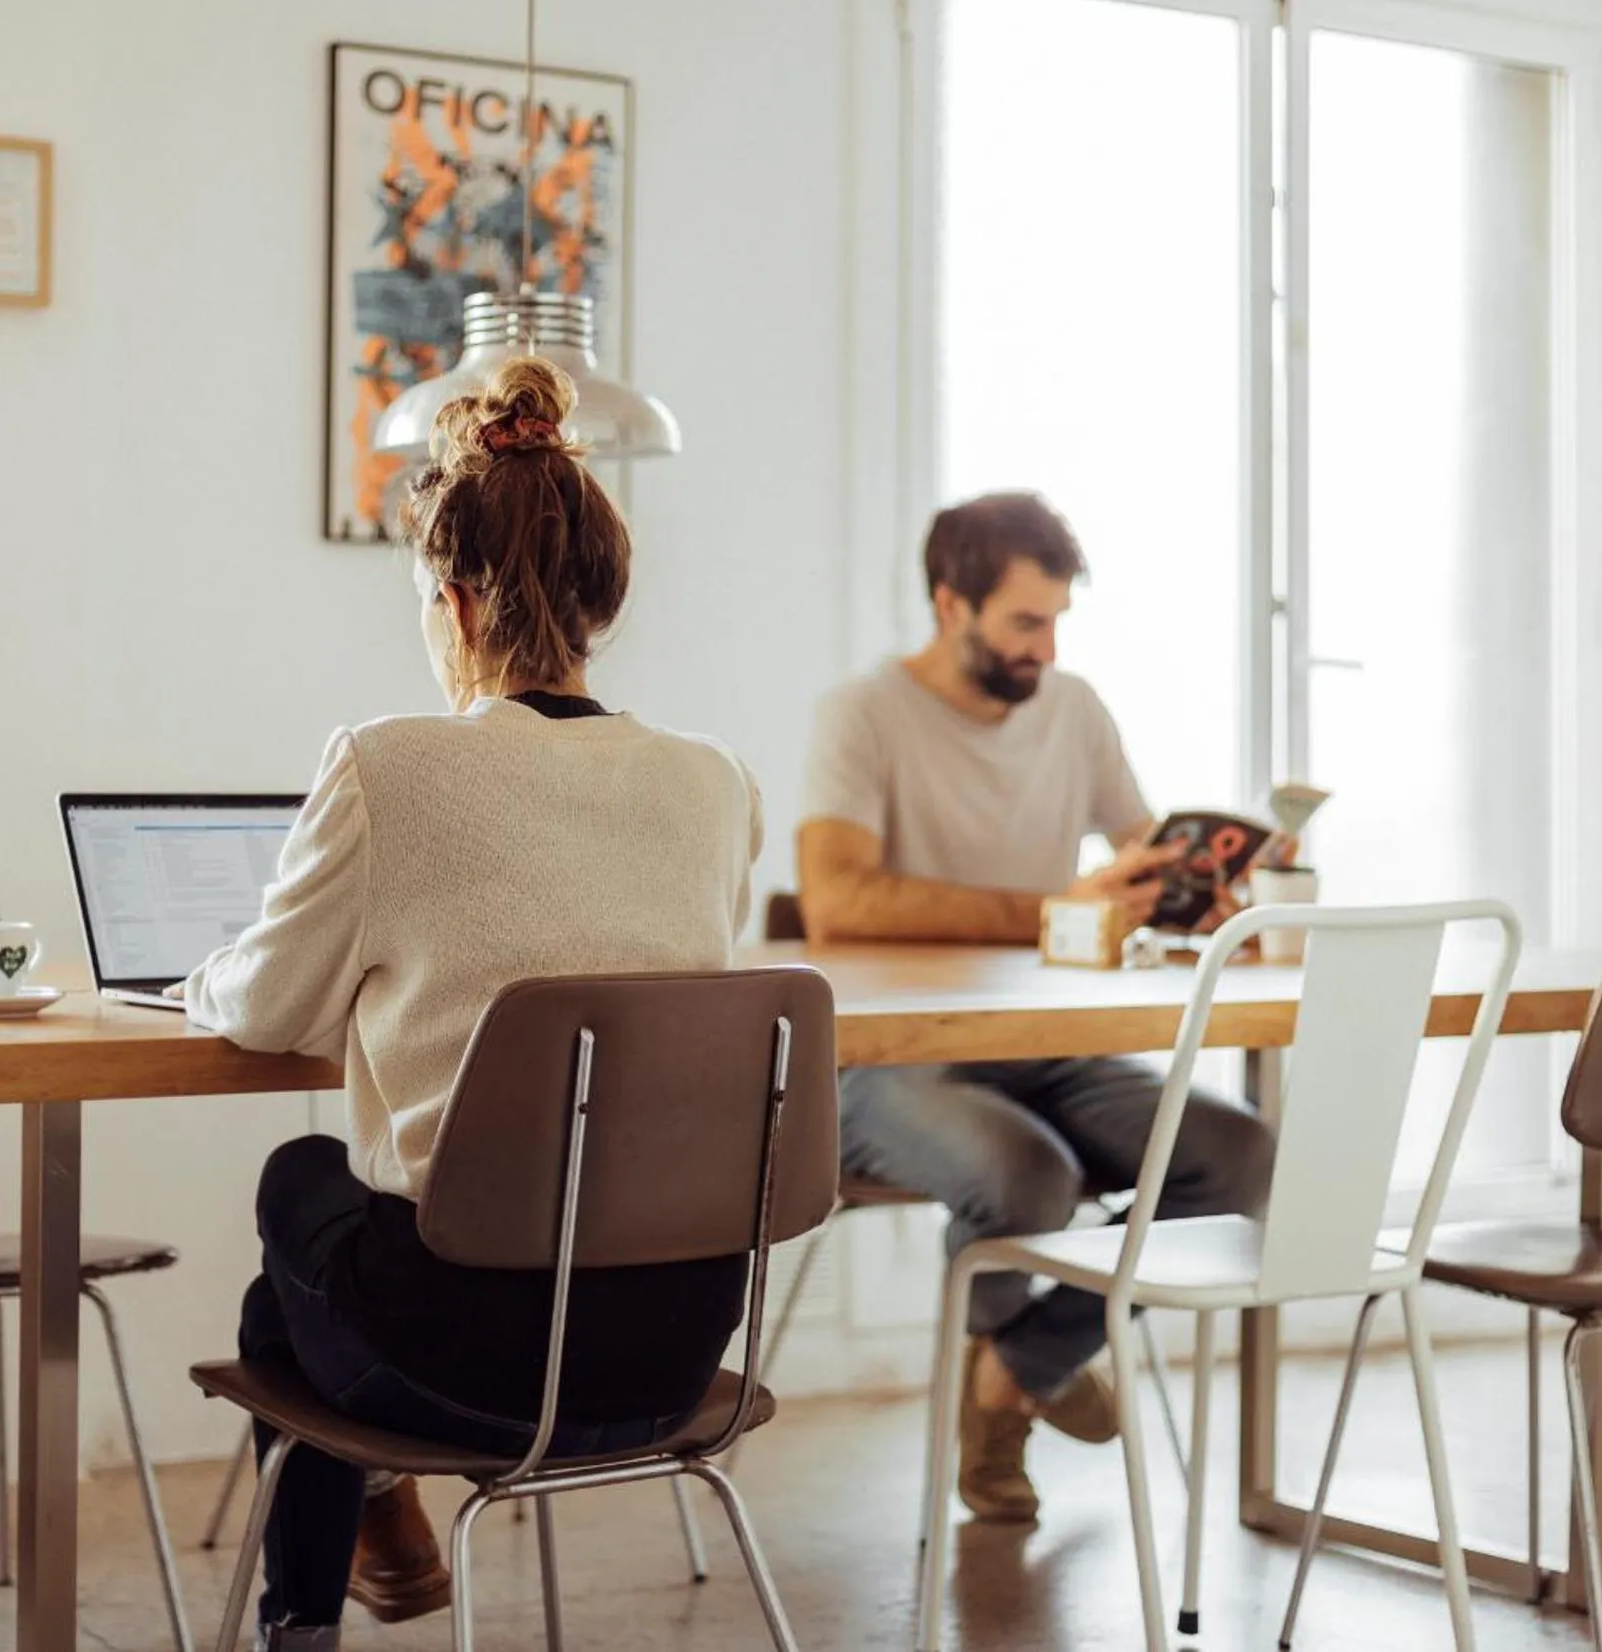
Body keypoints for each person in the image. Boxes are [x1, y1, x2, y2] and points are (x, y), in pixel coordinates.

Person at [178, 357, 763, 1652]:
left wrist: (193, 977)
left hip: (476, 1361)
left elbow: (269, 1007)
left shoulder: (394, 763)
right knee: (290, 1309)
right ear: (607, 595)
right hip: (674, 1344)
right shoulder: (718, 784)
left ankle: (314, 1605)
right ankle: (340, 1568)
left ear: (447, 598)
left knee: (299, 1181)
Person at [796, 491, 1276, 1525]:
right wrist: (1047, 909)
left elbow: (1139, 847)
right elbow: (836, 901)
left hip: (1052, 1046)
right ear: (946, 603)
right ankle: (1014, 1409)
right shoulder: (863, 715)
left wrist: (1197, 894)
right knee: (1029, 1176)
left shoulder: (1074, 709)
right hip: (888, 1059)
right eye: (1023, 622)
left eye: (1057, 620)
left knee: (1237, 1156)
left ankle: (1016, 1369)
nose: (1045, 647)